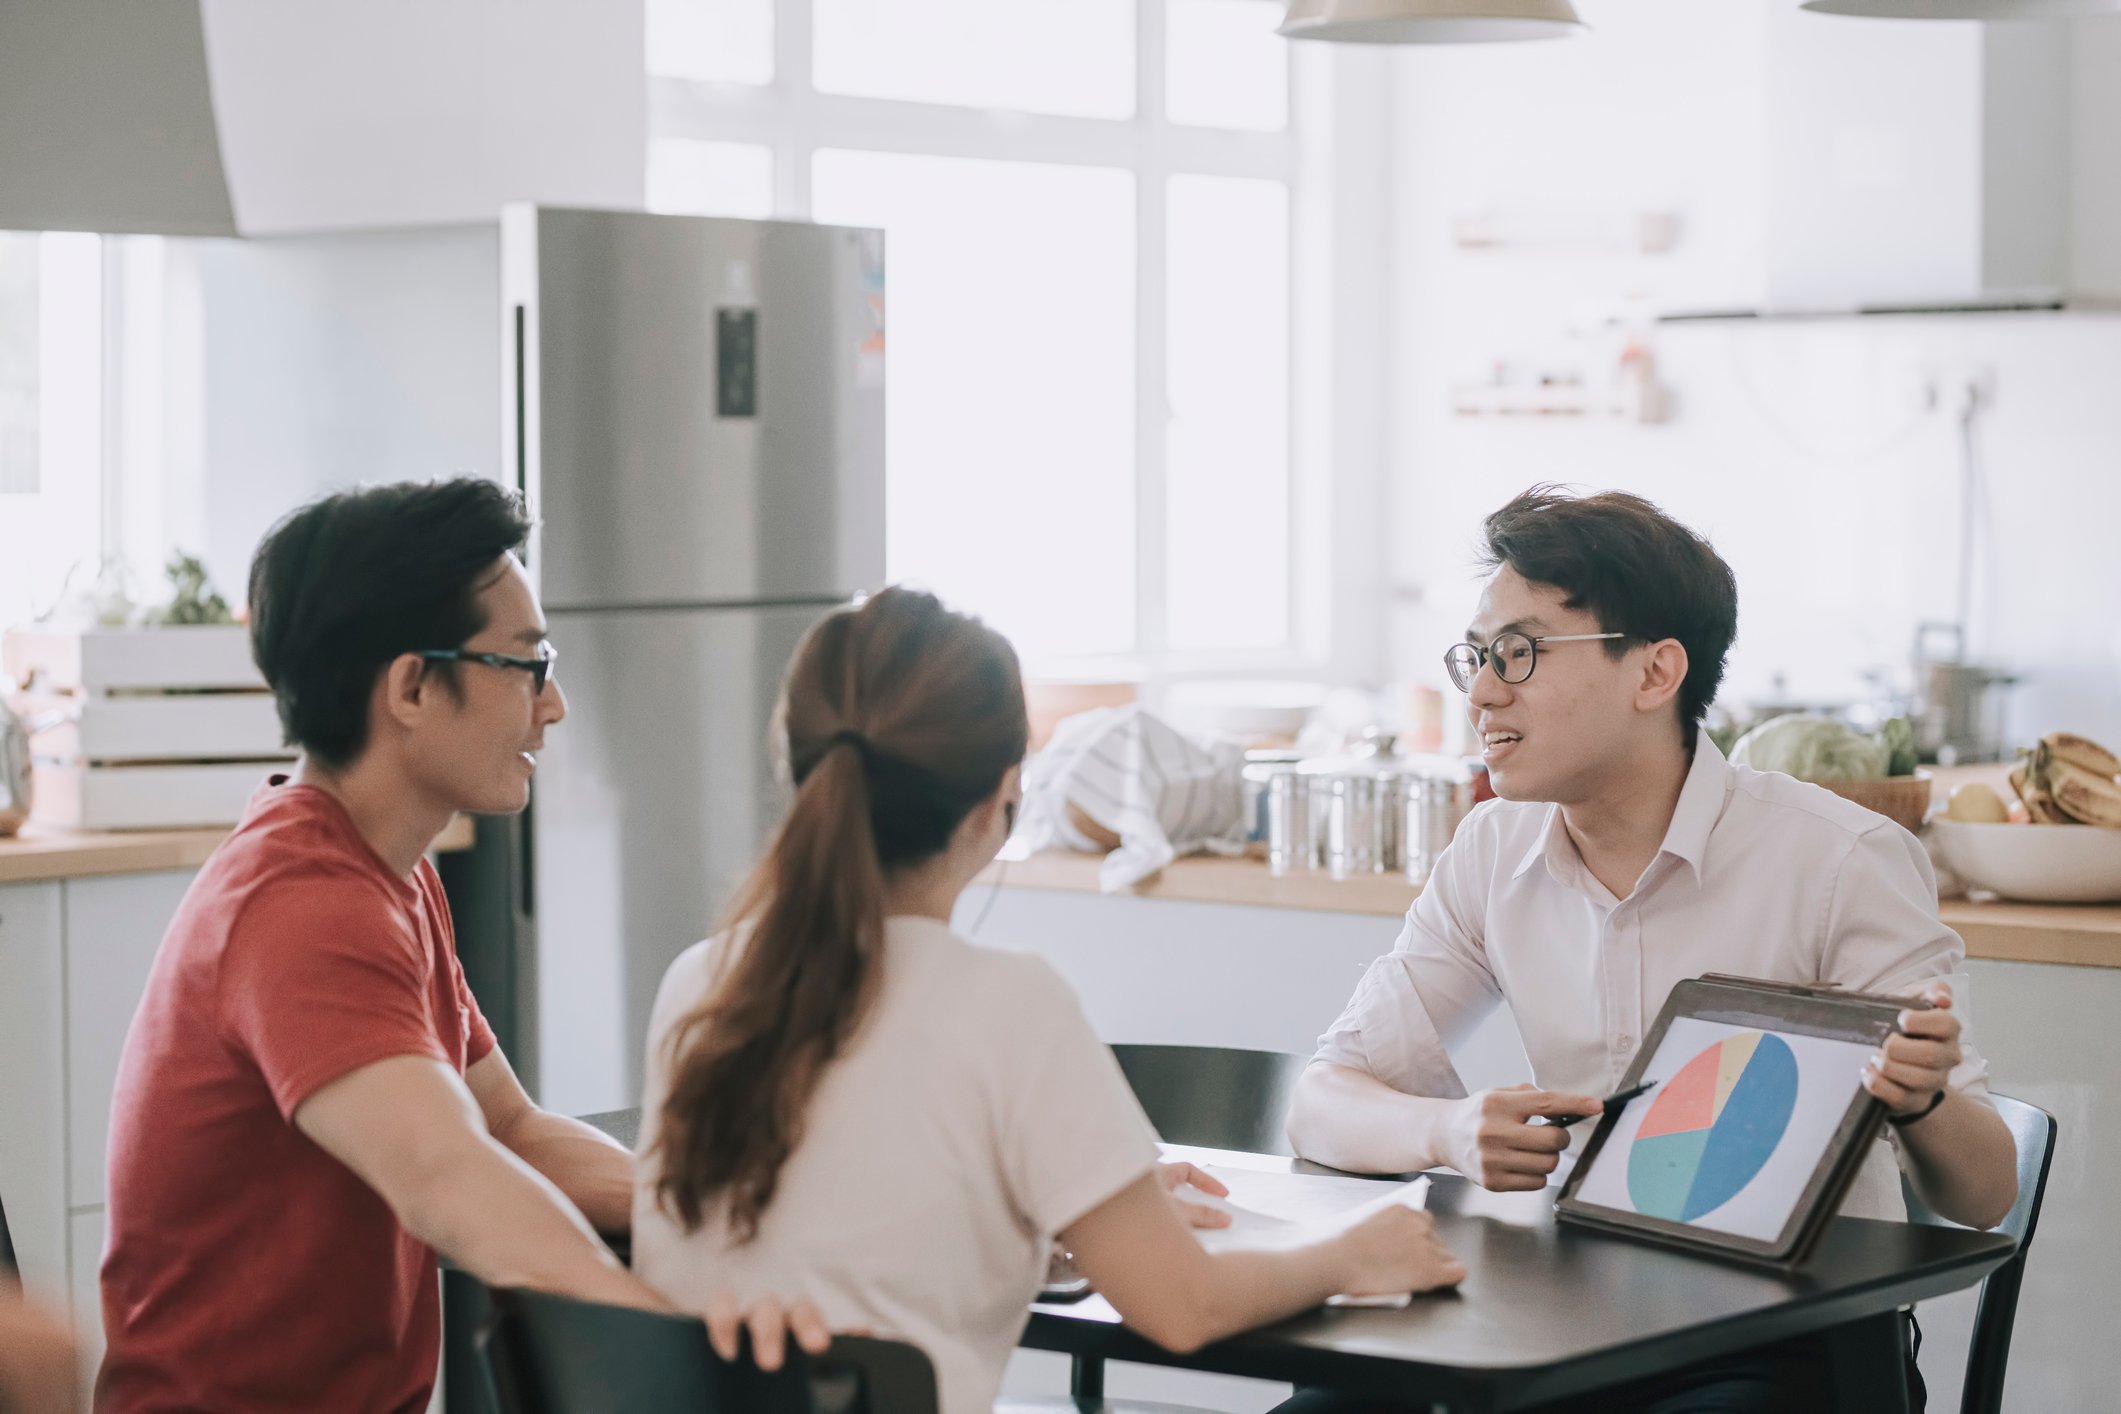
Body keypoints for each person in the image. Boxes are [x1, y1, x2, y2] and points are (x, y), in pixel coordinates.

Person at [630, 587, 1467, 1414]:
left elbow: (832, 1246)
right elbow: (1186, 1307)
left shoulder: (700, 983)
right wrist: (1352, 1253)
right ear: (1002, 798)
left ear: (798, 764)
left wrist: (1042, 1227)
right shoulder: (1007, 1006)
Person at [1278, 487, 2018, 1413]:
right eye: (1476, 655)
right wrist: (1448, 1131)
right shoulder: (1491, 850)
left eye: (1520, 653)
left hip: (1789, 1347)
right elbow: (1323, 1101)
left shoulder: (1837, 860)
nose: (1480, 691)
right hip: (1566, 1319)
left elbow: (1984, 1192)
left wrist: (1921, 1096)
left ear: (1654, 672)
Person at [98, 479, 823, 1412]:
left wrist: (724, 1219)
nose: (551, 706)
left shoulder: (386, 872)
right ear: (410, 687)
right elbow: (448, 1179)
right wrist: (668, 1340)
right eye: (525, 664)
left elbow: (509, 1131)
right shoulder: (302, 904)